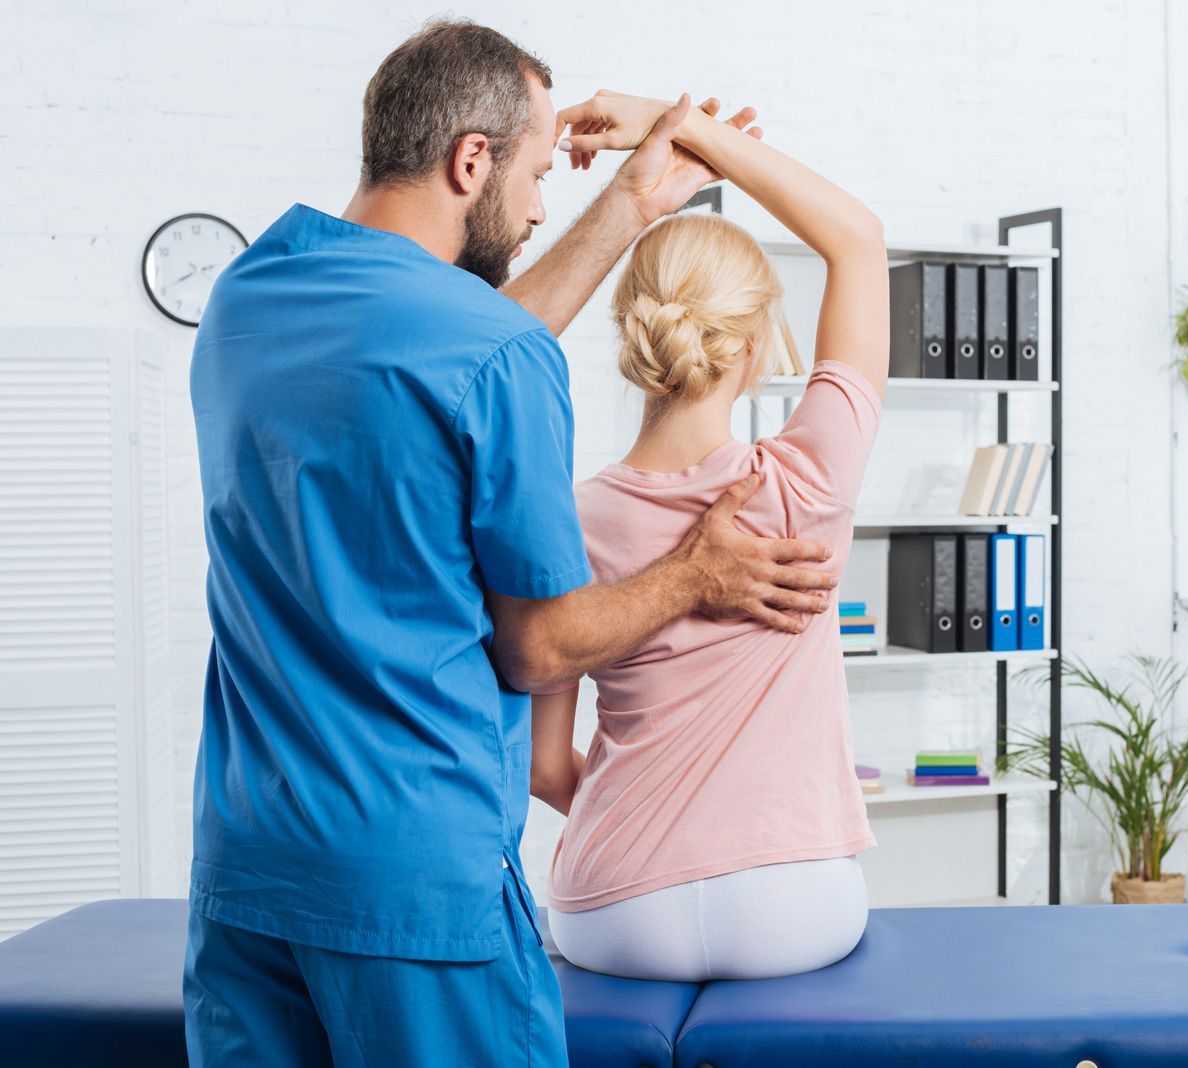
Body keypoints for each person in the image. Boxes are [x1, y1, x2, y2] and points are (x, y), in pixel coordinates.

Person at [183, 21, 839, 1067]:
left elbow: (447, 349)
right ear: (469, 160)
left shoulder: (249, 297)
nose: (540, 207)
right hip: (414, 885)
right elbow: (537, 648)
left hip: (250, 867)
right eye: (535, 175)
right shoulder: (491, 356)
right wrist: (696, 573)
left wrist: (626, 207)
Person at [530, 90, 890, 983]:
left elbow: (544, 768)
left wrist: (649, 839)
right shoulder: (807, 481)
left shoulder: (561, 514)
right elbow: (857, 240)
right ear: (759, 337)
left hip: (612, 907)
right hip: (793, 904)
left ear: (631, 329)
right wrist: (681, 122)